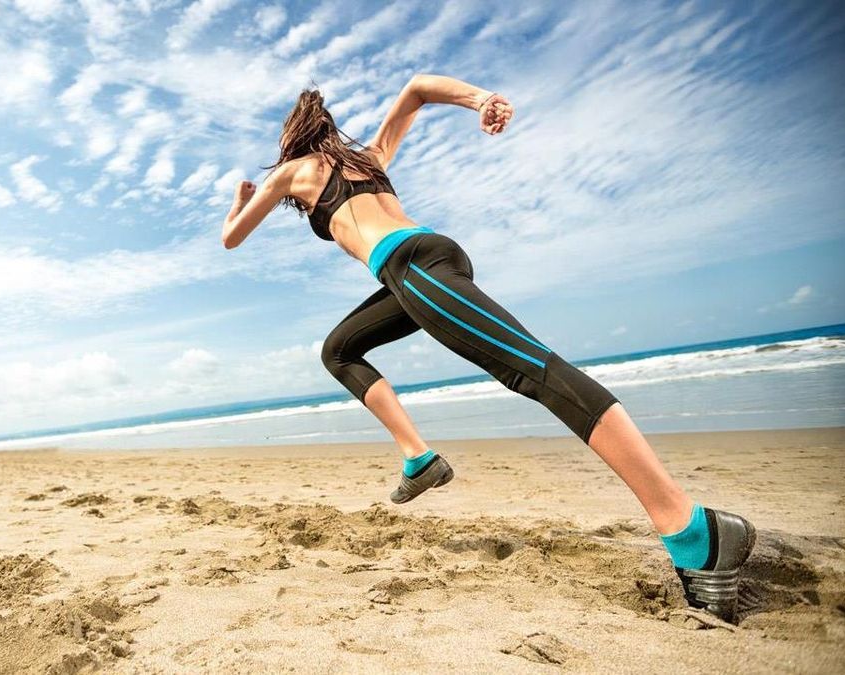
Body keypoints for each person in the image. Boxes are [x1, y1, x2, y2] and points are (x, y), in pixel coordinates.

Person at [219, 74, 756, 622]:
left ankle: (693, 531)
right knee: (339, 350)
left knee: (536, 372)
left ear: (293, 141)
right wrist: (484, 100)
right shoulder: (371, 158)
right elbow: (417, 90)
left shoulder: (293, 170)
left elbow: (232, 238)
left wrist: (239, 201)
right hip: (425, 264)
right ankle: (419, 458)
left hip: (411, 268)